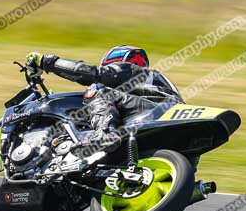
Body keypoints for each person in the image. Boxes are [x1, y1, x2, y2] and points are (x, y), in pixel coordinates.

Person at [24, 46, 181, 153]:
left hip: (156, 112)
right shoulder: (154, 82)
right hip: (174, 137)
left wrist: (47, 62)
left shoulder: (131, 70)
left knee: (98, 92)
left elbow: (91, 73)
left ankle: (104, 135)